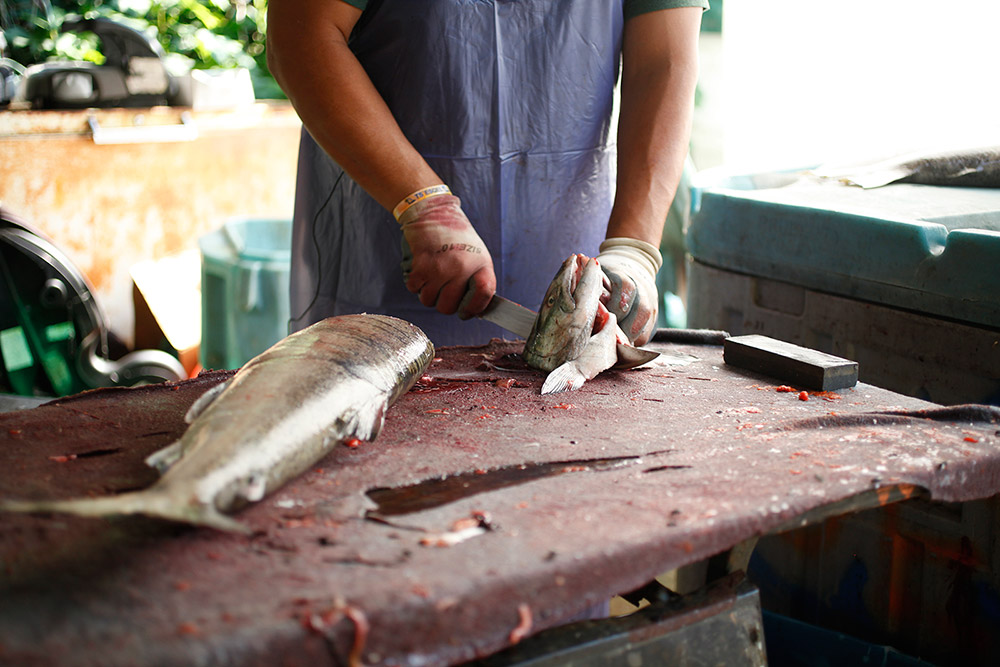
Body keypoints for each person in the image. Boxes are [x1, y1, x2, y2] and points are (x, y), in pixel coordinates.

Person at [267, 0, 706, 347]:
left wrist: (634, 250)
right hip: (378, 263)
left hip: (581, 254)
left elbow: (662, 63)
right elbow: (301, 36)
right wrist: (423, 205)